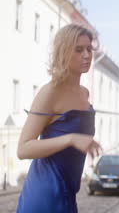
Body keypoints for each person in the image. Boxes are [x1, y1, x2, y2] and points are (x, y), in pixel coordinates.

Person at [16, 24, 101, 213]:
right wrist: (71, 139)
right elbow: (23, 149)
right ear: (63, 52)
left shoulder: (84, 94)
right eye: (78, 50)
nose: (87, 55)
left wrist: (85, 142)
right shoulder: (50, 92)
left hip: (68, 193)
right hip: (45, 192)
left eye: (89, 48)